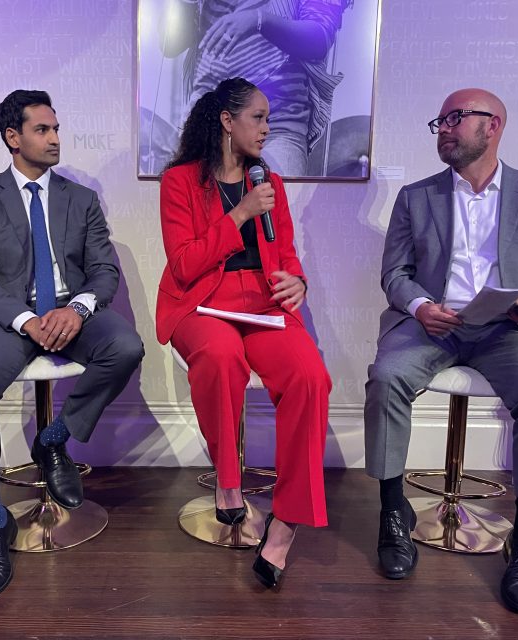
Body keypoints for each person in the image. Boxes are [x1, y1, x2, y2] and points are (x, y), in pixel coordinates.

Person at [364, 88, 518, 614]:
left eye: (456, 118)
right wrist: (418, 307)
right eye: (441, 121)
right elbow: (395, 273)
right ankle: (393, 513)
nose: (446, 128)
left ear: (493, 125)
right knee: (387, 377)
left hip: (509, 327)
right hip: (435, 323)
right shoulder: (416, 196)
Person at [0, 89, 144, 600]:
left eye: (57, 128)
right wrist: (24, 318)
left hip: (70, 312)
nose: (55, 138)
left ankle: (54, 437)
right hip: (8, 320)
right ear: (13, 138)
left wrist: (75, 308)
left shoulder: (80, 199)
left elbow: (104, 271)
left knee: (125, 346)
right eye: (43, 130)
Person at [156, 77, 331, 588]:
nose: (267, 127)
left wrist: (297, 281)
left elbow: (288, 252)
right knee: (219, 356)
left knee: (309, 377)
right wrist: (239, 214)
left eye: (270, 118)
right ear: (227, 121)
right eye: (258, 116)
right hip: (201, 303)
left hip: (263, 302)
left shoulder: (269, 182)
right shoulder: (181, 182)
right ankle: (227, 479)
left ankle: (288, 521)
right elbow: (184, 264)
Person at [154, 0, 349, 176]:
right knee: (192, 209)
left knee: (270, 210)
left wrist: (260, 20)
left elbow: (318, 39)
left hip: (275, 126)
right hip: (207, 124)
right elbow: (170, 44)